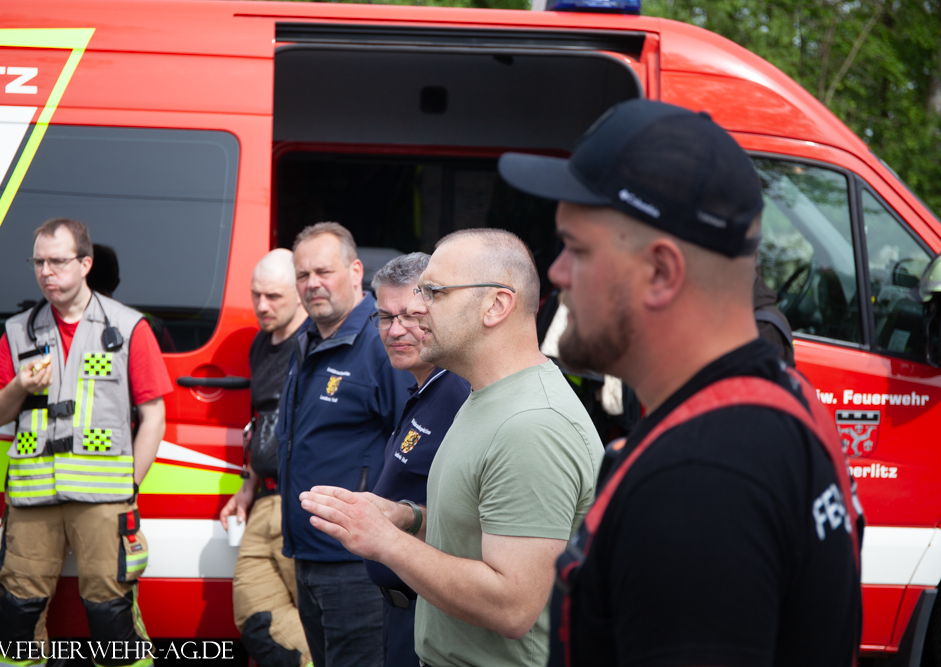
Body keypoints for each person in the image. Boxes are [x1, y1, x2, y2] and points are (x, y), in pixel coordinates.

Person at [496, 98, 862, 666]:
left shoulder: (696, 486)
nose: (556, 273)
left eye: (578, 248)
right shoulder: (786, 400)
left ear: (662, 272)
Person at [299, 228, 603, 667]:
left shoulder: (531, 424)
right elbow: (473, 533)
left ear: (496, 305)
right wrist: (409, 518)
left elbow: (512, 607)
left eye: (435, 292)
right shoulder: (487, 396)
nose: (417, 307)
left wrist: (384, 540)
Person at [0, 217, 172, 667]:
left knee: (111, 617)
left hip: (105, 500)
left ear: (85, 263)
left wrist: (130, 486)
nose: (47, 272)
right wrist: (19, 387)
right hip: (31, 500)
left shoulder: (127, 328)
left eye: (58, 261)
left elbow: (155, 417)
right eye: (38, 262)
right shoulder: (18, 331)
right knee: (16, 619)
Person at [275, 222, 411, 667]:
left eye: (323, 271)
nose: (312, 283)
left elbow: (411, 449)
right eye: (302, 275)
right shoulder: (309, 339)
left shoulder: (382, 344)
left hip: (356, 564)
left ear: (355, 271)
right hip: (310, 556)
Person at [365, 253, 471, 667]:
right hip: (402, 610)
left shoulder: (458, 394)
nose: (396, 330)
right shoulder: (425, 389)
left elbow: (468, 522)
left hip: (431, 613)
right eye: (385, 317)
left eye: (410, 315)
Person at [220, 249, 311, 667]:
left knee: (324, 615)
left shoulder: (316, 340)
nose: (261, 306)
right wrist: (247, 485)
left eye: (273, 296)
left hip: (305, 502)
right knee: (253, 612)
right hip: (265, 499)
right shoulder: (261, 343)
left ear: (300, 291)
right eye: (255, 295)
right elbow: (261, 421)